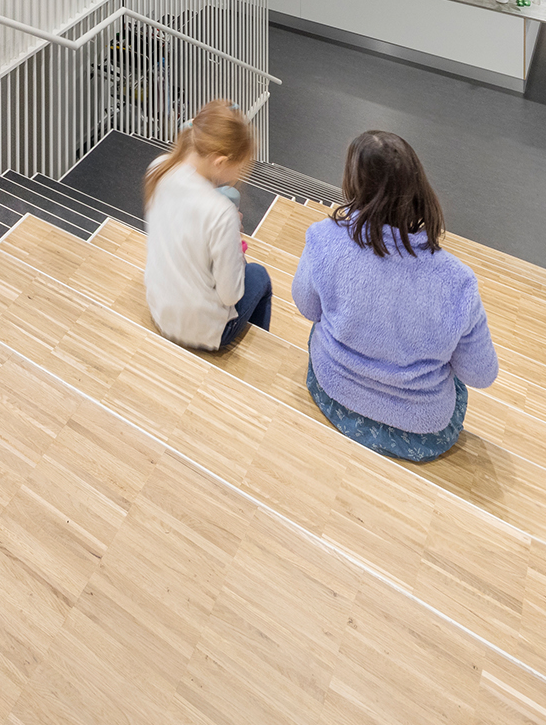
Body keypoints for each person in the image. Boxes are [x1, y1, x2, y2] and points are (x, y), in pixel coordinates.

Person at [291, 129, 498, 462]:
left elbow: (307, 307)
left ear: (352, 183)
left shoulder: (322, 238)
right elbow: (480, 374)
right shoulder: (458, 283)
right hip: (421, 432)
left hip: (332, 393)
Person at [142, 101, 272, 352]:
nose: (240, 173)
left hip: (160, 308)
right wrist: (234, 244)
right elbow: (231, 294)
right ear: (220, 162)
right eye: (240, 166)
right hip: (201, 329)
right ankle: (254, 357)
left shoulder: (158, 168)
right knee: (259, 275)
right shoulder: (221, 213)